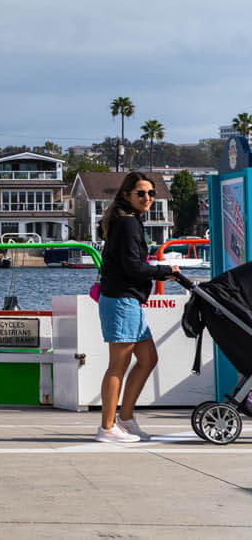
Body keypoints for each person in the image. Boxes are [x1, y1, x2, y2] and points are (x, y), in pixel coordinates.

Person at [95, 171, 178, 443]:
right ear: (127, 195)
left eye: (152, 193)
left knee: (147, 359)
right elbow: (132, 266)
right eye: (141, 193)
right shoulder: (128, 223)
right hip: (121, 299)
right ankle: (107, 427)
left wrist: (160, 272)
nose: (147, 198)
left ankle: (126, 420)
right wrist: (163, 271)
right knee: (118, 365)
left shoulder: (127, 221)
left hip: (128, 300)